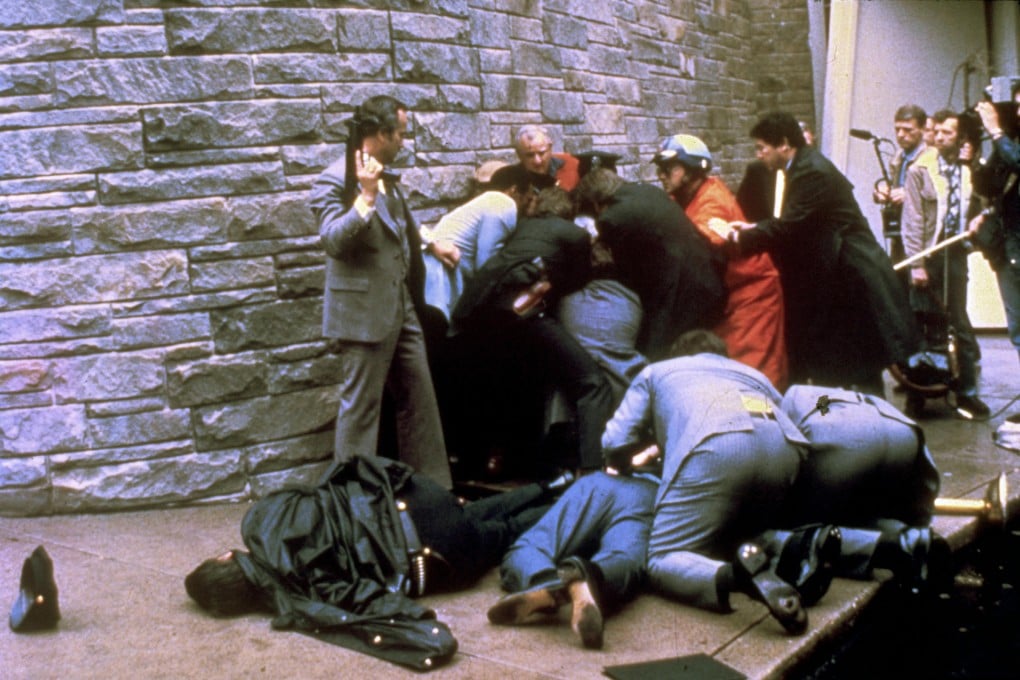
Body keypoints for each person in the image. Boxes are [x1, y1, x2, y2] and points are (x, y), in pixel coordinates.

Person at [184, 455, 561, 671]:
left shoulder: (298, 597)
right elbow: (311, 489)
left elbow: (365, 598)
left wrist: (416, 618)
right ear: (226, 556)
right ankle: (557, 481)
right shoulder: (261, 519)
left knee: (505, 532)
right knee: (473, 513)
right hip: (408, 495)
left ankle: (582, 499)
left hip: (436, 551)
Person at [601, 330, 813, 633]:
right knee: (742, 534)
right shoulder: (753, 375)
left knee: (662, 557)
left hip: (715, 446)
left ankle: (738, 578)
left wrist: (621, 467)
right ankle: (798, 545)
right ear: (723, 356)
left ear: (680, 354)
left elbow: (614, 440)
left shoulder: (658, 371)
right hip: (783, 449)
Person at [309, 95, 452, 487]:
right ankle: (351, 503)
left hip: (399, 306)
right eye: (400, 134)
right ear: (380, 134)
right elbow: (333, 241)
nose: (404, 141)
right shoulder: (336, 179)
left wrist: (429, 242)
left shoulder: (386, 174)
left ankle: (432, 492)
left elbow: (399, 224)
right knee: (361, 410)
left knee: (419, 399)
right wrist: (365, 198)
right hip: (364, 312)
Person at [726, 111, 918, 395]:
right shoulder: (800, 167)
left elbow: (790, 225)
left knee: (855, 366)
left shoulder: (811, 171)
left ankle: (860, 425)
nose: (759, 155)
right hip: (840, 274)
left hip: (851, 275)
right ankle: (851, 422)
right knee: (849, 364)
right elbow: (796, 221)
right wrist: (753, 226)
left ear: (783, 144)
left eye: (762, 148)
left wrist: (741, 237)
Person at [451, 186, 613, 474]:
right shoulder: (574, 234)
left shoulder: (522, 228)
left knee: (515, 384)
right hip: (523, 313)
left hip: (479, 314)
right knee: (592, 382)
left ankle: (495, 463)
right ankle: (592, 471)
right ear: (569, 212)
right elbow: (579, 279)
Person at [653, 133, 788, 389]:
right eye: (660, 168)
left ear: (693, 170)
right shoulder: (684, 195)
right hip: (731, 295)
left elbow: (701, 241)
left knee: (750, 375)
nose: (661, 174)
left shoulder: (712, 201)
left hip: (752, 296)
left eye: (669, 168)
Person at [487, 470, 657, 649]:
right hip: (650, 494)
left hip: (600, 483)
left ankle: (543, 579)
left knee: (533, 544)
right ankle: (587, 577)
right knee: (624, 556)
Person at [576, 167, 726, 360]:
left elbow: (627, 272)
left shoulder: (612, 218)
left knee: (656, 356)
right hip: (709, 280)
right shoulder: (648, 190)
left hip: (682, 295)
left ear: (596, 203)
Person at [901, 108, 989, 419]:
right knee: (924, 324)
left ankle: (966, 393)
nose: (939, 137)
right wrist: (917, 263)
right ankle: (918, 395)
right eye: (937, 132)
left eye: (947, 133)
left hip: (956, 255)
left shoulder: (971, 169)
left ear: (960, 138)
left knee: (958, 322)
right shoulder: (919, 170)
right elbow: (912, 220)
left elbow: (983, 204)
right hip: (929, 254)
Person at [872, 105, 936, 264]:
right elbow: (895, 186)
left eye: (908, 130)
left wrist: (908, 195)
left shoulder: (932, 157)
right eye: (897, 129)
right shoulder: (899, 157)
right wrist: (883, 193)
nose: (901, 135)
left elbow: (939, 194)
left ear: (923, 128)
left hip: (922, 237)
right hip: (900, 231)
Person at [512, 124, 581, 192]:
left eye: (541, 153)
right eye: (530, 155)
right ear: (519, 155)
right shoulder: (513, 182)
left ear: (550, 148)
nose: (537, 161)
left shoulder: (571, 166)